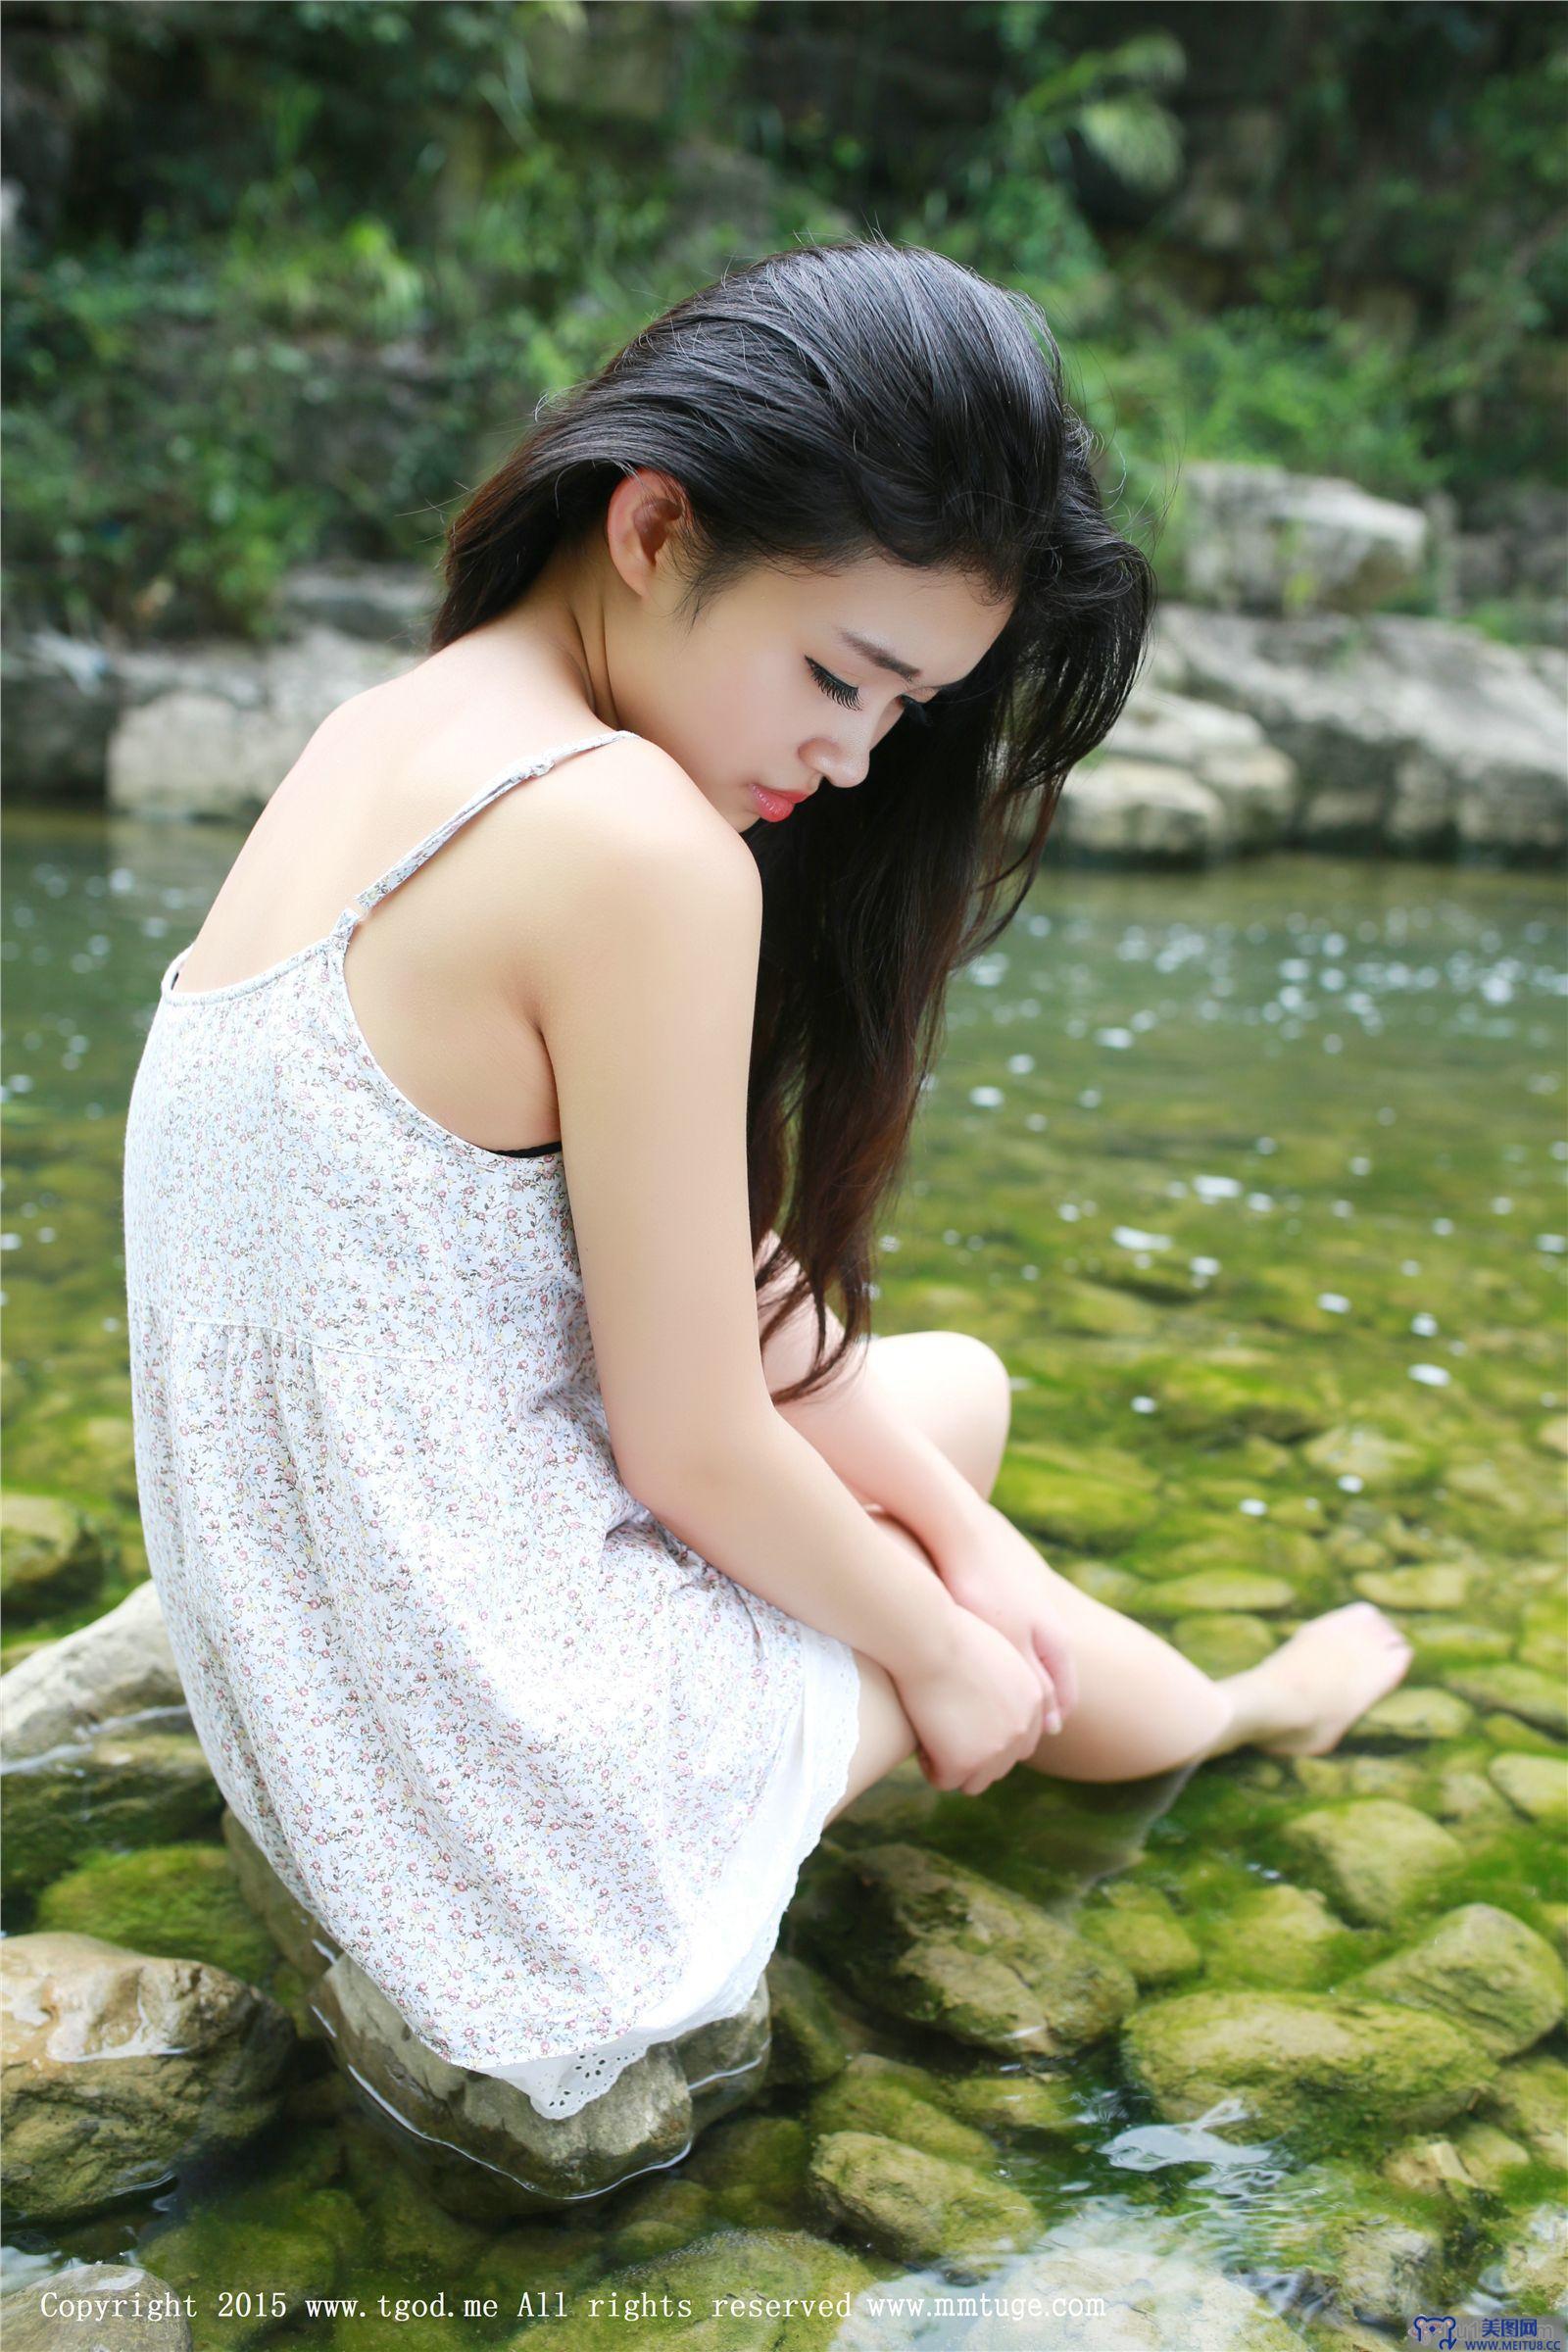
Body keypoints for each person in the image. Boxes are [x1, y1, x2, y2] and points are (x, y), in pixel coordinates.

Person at [122, 237, 1412, 2125]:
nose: (854, 753)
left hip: (326, 1701)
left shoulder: (393, 732)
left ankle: (1044, 1628)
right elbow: (694, 1453)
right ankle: (1240, 1715)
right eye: (840, 674)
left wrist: (954, 1548)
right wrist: (950, 1650)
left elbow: (716, 1281)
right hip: (510, 1811)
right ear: (655, 527)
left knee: (950, 1407)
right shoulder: (636, 845)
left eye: (905, 711)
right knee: (1000, 1639)